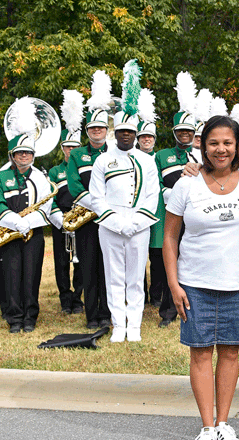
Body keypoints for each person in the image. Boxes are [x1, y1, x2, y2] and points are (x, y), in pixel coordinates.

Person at [164, 116, 239, 440]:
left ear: (237, 145)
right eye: (213, 143)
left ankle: (224, 423)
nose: (220, 149)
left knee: (230, 352)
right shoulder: (186, 184)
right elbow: (169, 237)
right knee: (200, 352)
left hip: (238, 284)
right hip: (195, 283)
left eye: (227, 142)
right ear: (202, 146)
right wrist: (173, 284)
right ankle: (207, 429)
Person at [89, 110, 160, 342]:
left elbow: (153, 195)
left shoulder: (147, 160)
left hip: (140, 226)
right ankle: (119, 324)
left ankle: (135, 325)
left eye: (130, 131)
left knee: (136, 277)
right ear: (115, 133)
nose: (126, 135)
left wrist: (137, 222)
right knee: (114, 276)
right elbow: (96, 197)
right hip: (110, 226)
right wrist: (117, 223)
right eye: (122, 131)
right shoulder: (102, 160)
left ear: (136, 134)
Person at [0, 134, 55, 333]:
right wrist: (16, 221)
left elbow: (47, 205)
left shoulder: (40, 177)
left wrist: (29, 222)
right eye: (20, 152)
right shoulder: (0, 177)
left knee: (32, 275)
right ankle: (14, 318)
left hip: (33, 232)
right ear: (12, 155)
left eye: (28, 152)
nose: (24, 155)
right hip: (8, 232)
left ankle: (30, 317)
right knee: (11, 274)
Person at [67, 98, 111, 330]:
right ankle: (91, 315)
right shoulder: (76, 156)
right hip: (87, 221)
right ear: (87, 131)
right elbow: (74, 186)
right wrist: (99, 206)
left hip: (110, 221)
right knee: (89, 267)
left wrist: (108, 209)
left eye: (101, 127)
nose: (97, 131)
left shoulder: (114, 152)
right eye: (93, 127)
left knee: (108, 268)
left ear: (106, 130)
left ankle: (106, 313)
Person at [155, 109, 198, 327]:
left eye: (188, 131)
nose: (185, 135)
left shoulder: (201, 155)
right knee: (168, 262)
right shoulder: (161, 155)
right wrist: (171, 195)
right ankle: (167, 312)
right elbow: (154, 183)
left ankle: (192, 303)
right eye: (181, 131)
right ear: (174, 132)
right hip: (171, 214)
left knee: (191, 259)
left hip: (195, 216)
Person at [48, 130, 84, 316]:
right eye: (68, 146)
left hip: (81, 221)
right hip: (61, 222)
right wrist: (59, 219)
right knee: (61, 262)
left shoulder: (83, 167)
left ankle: (78, 299)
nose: (71, 150)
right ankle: (65, 299)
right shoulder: (55, 171)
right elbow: (49, 198)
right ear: (62, 148)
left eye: (75, 147)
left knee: (81, 262)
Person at [138, 119, 166, 308]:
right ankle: (139, 294)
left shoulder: (160, 159)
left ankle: (156, 296)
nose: (146, 139)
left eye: (150, 136)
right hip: (136, 211)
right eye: (143, 137)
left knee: (157, 256)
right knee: (137, 256)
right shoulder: (131, 157)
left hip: (157, 212)